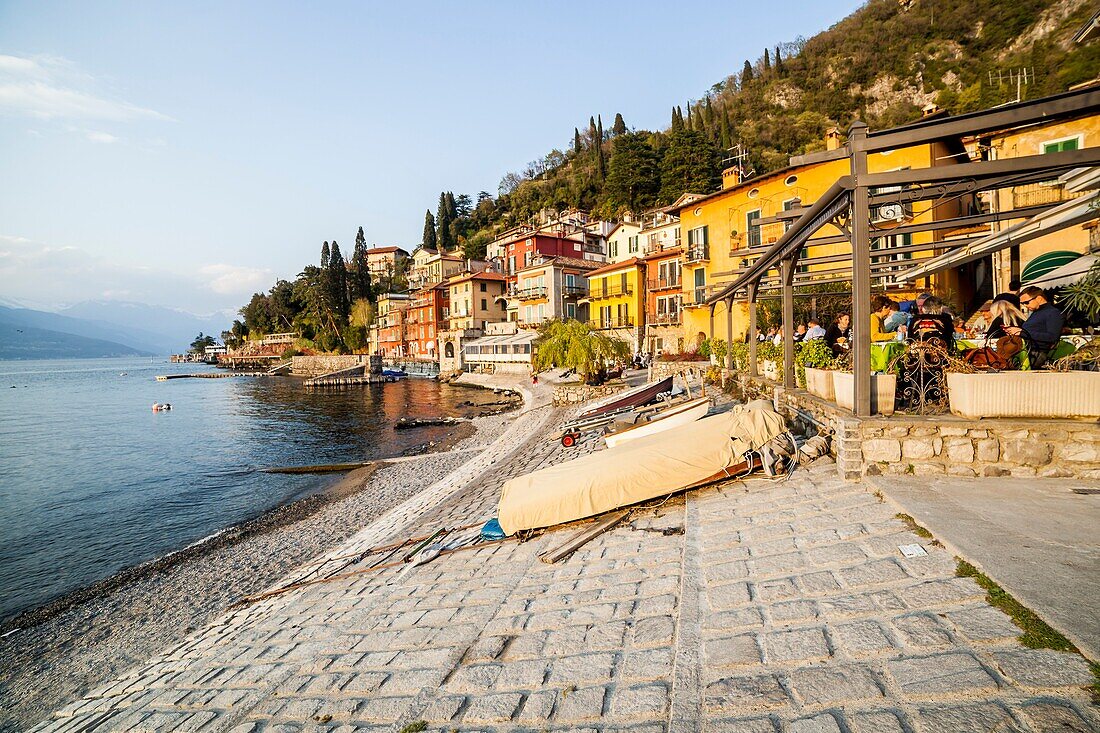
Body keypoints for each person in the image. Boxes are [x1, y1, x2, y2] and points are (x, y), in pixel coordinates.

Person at [1005, 286, 1065, 368]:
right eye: (1022, 303)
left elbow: (1052, 337)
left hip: (1036, 354)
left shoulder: (1053, 313)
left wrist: (1022, 332)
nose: (1025, 306)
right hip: (1025, 352)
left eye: (1026, 302)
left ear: (1039, 298)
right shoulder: (1036, 312)